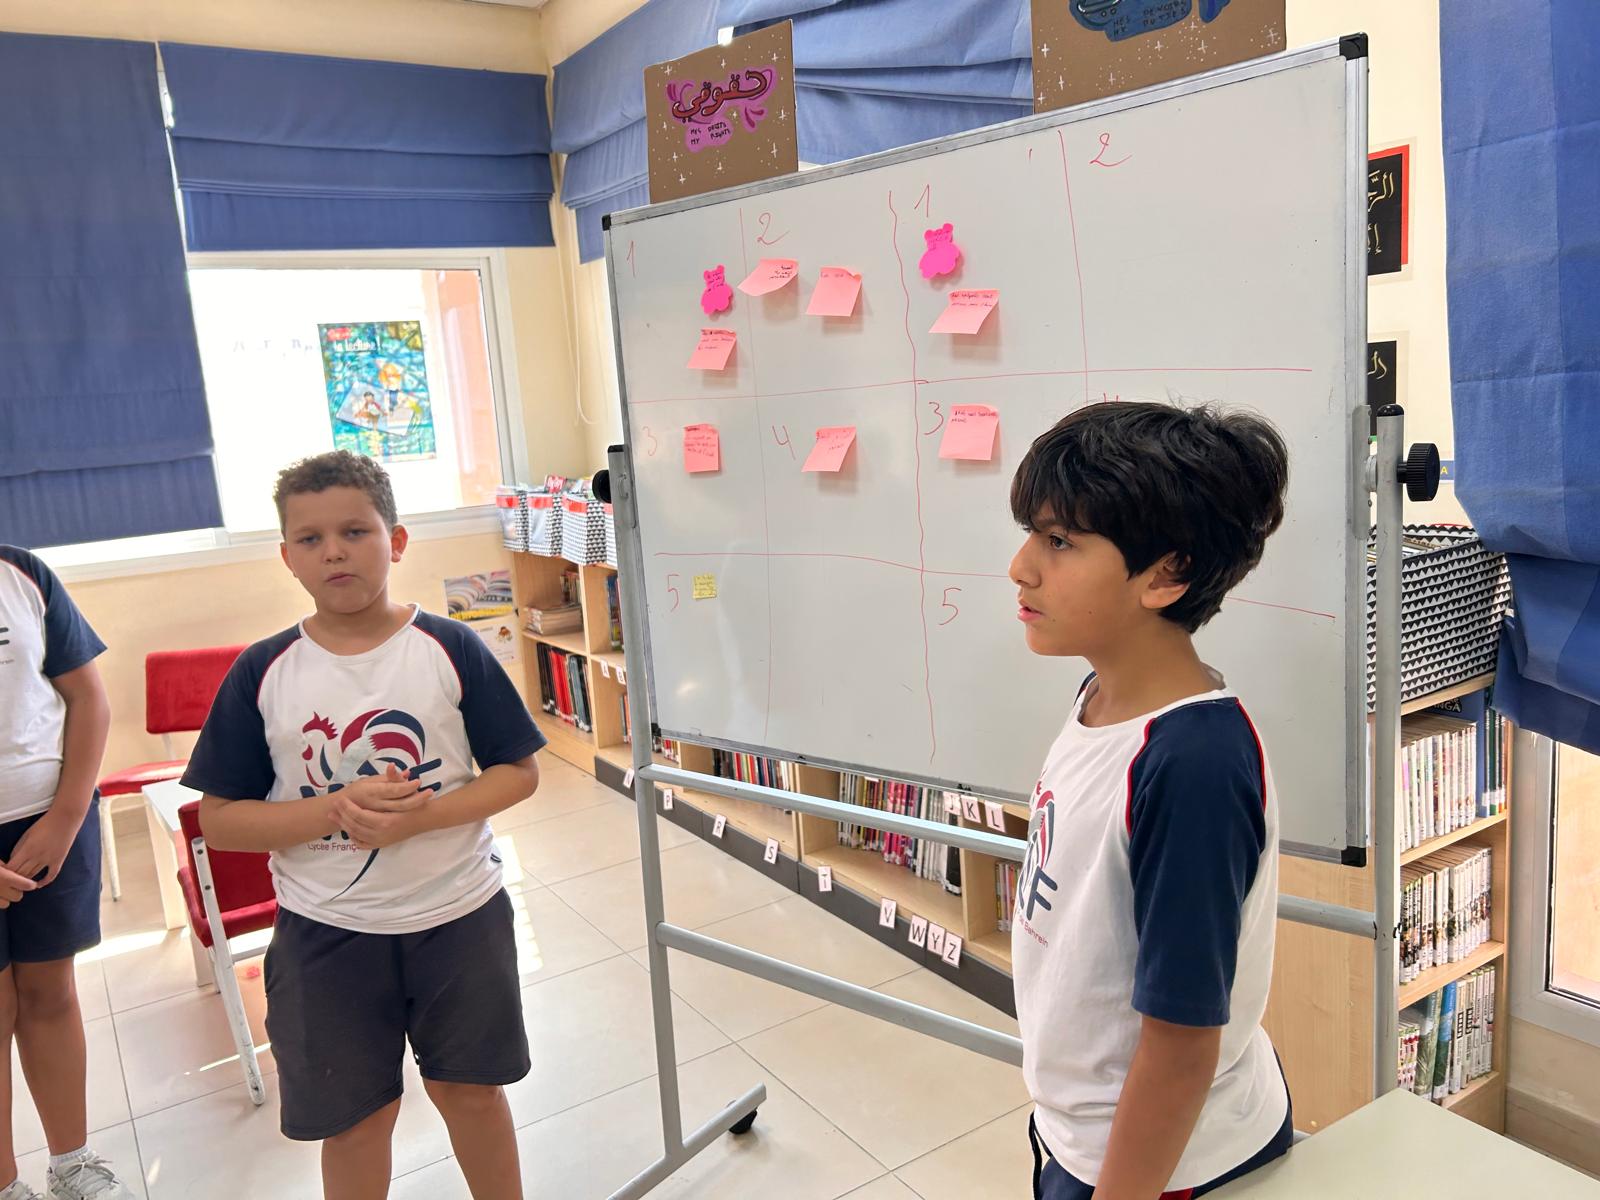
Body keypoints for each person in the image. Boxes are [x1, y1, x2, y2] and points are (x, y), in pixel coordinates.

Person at [183, 451, 546, 1200]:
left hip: (460, 917)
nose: (334, 552)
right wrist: (334, 810)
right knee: (354, 1122)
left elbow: (519, 771)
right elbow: (220, 822)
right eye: (310, 539)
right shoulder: (262, 672)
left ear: (397, 541)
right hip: (326, 932)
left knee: (472, 1093)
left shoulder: (452, 648)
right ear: (287, 557)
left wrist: (422, 819)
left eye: (355, 531)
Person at [1007, 401, 1295, 1200]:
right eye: (1032, 534)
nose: (1021, 567)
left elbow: (1180, 1044)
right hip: (1081, 1132)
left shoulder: (1192, 764)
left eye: (1059, 541)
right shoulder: (1100, 696)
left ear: (1167, 574)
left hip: (1158, 1166)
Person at [0, 546, 137, 1200]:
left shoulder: (22, 574)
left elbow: (87, 698)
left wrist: (65, 817)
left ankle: (73, 1165)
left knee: (51, 994)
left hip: (50, 821)